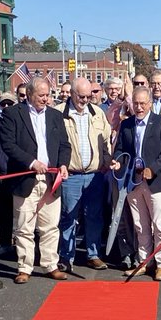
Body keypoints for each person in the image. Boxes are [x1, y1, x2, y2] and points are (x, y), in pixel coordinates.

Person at [0, 79, 72, 284]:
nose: (45, 99)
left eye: (47, 95)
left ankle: (50, 265)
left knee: (50, 226)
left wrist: (63, 164)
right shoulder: (13, 114)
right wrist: (31, 162)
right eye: (41, 95)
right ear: (30, 94)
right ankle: (25, 267)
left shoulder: (55, 115)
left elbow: (64, 145)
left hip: (51, 179)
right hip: (25, 178)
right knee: (24, 227)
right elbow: (8, 144)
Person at [113, 86, 161, 280]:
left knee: (159, 224)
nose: (139, 107)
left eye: (143, 103)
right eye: (136, 103)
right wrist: (118, 162)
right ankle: (145, 261)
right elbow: (120, 149)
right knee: (140, 225)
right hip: (133, 181)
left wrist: (153, 168)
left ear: (150, 103)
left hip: (156, 181)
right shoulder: (127, 124)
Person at [57, 77, 112, 271]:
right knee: (68, 217)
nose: (85, 100)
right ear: (72, 94)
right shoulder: (58, 113)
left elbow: (106, 140)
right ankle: (66, 257)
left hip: (94, 175)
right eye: (81, 96)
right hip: (71, 176)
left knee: (94, 216)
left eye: (88, 96)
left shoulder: (97, 113)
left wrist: (106, 162)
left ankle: (93, 255)